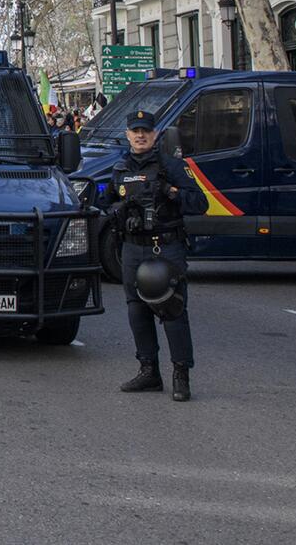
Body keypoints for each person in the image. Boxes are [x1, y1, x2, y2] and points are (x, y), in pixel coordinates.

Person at [96, 109, 206, 401]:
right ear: (127, 134)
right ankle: (149, 371)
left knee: (172, 310)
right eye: (136, 131)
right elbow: (106, 202)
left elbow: (200, 203)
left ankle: (181, 374)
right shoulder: (120, 168)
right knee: (137, 310)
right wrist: (116, 210)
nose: (141, 135)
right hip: (133, 247)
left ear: (155, 135)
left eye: (146, 130)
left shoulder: (172, 166)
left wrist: (169, 191)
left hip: (166, 245)